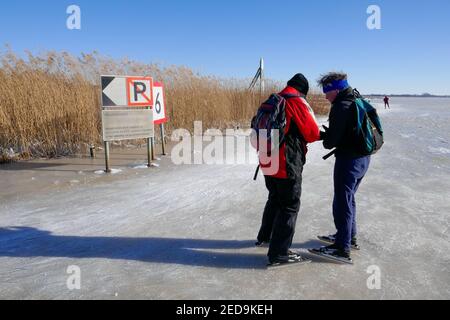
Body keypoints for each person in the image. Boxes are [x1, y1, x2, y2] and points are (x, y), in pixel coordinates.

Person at [255, 73, 321, 267]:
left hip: (266, 160)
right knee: (289, 205)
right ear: (303, 90)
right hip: (286, 163)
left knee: (275, 198)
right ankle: (279, 254)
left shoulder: (272, 99)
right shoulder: (296, 101)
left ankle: (265, 237)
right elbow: (312, 133)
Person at [312, 72, 371, 264]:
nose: (325, 97)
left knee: (342, 202)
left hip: (349, 161)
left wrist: (324, 137)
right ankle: (348, 237)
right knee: (349, 198)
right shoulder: (355, 98)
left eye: (327, 93)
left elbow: (331, 142)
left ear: (335, 90)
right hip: (363, 159)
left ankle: (341, 248)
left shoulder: (340, 106)